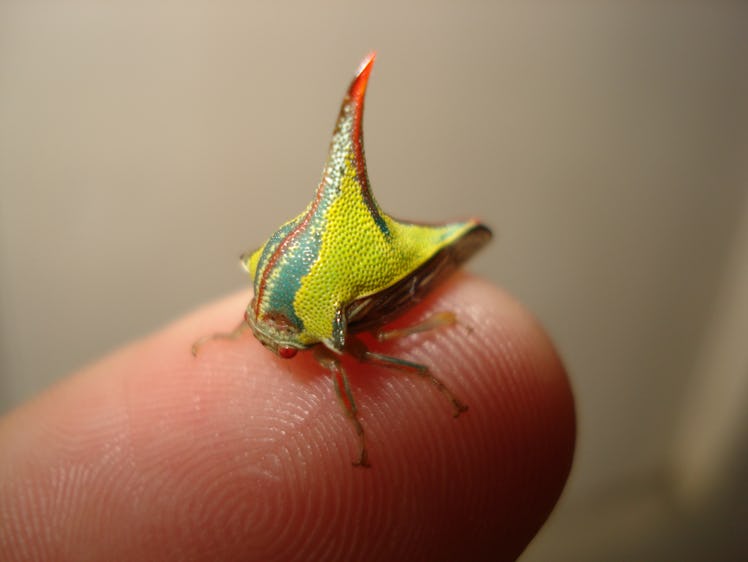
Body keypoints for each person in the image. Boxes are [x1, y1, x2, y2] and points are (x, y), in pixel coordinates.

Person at [0, 275, 575, 561]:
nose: (280, 356)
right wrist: (234, 333)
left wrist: (428, 384)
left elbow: (368, 350)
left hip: (373, 306)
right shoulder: (287, 322)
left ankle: (436, 355)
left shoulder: (334, 346)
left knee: (369, 353)